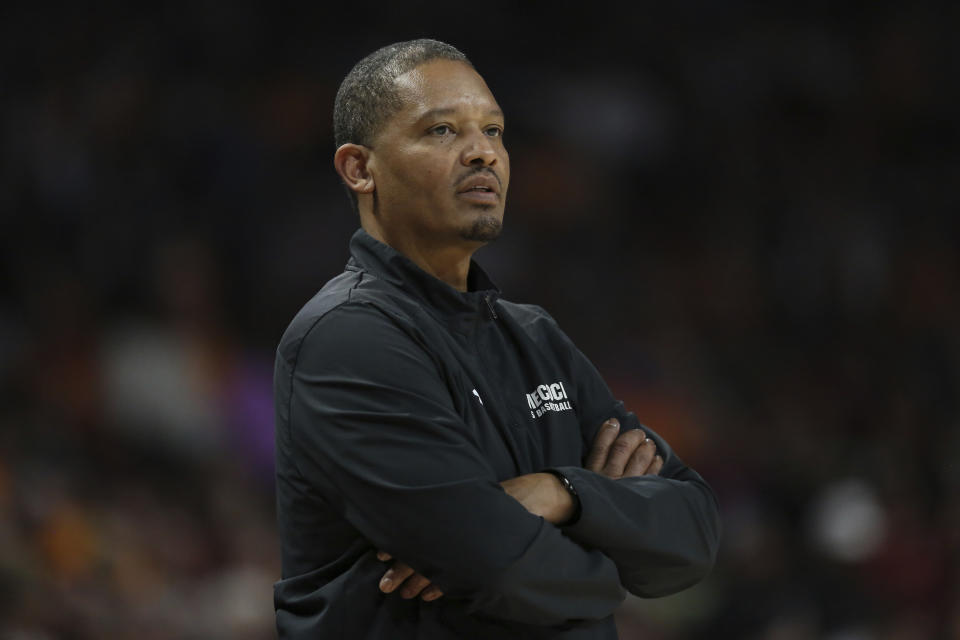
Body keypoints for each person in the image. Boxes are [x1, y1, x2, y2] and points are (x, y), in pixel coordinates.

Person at [273, 39, 721, 639]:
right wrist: (616, 554)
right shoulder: (348, 339)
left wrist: (560, 493)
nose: (482, 152)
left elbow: (693, 533)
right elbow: (501, 568)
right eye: (441, 131)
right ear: (360, 168)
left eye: (494, 131)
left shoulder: (535, 337)